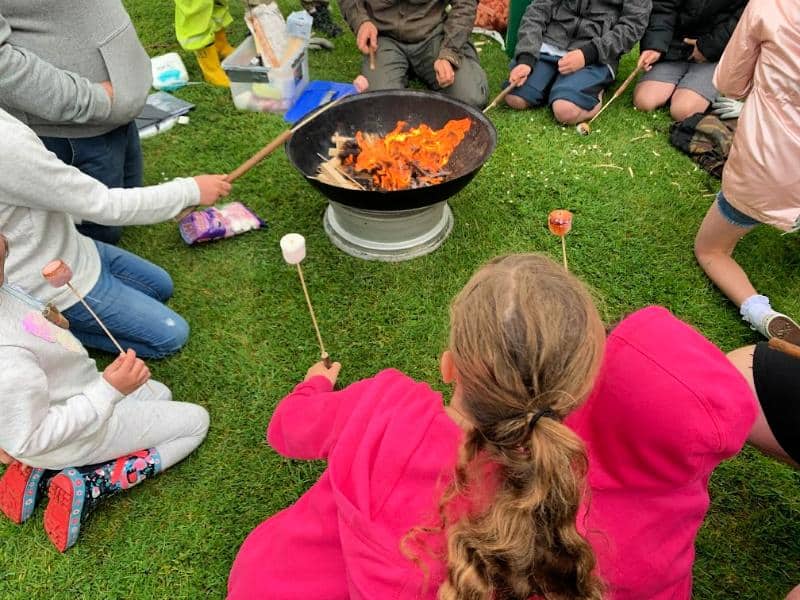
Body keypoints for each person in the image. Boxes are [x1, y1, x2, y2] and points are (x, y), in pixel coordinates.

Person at [228, 254, 755, 599]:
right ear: (584, 389)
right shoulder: (596, 502)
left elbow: (288, 430)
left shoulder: (385, 411)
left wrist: (313, 386)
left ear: (449, 367)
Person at [0, 232, 210, 552]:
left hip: (71, 394)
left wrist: (55, 322)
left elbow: (26, 323)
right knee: (195, 422)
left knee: (160, 393)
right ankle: (95, 481)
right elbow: (31, 436)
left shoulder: (3, 289)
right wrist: (108, 390)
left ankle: (40, 468)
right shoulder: (7, 360)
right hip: (75, 431)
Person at [0, 107, 231, 359]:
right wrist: (190, 191)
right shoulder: (7, 150)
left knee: (160, 286)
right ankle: (49, 326)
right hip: (46, 285)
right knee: (171, 335)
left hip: (73, 248)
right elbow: (101, 204)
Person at [0, 2, 153, 244]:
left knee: (126, 208)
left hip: (115, 113)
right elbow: (3, 66)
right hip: (71, 128)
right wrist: (91, 100)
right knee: (97, 235)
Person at [693, 0, 800, 344]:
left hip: (770, 168)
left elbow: (730, 81)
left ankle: (759, 312)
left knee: (711, 250)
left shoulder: (771, 5)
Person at [505, 0, 651, 124]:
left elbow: (633, 26)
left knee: (565, 111)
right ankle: (557, 85)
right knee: (514, 98)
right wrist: (526, 57)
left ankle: (589, 92)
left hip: (596, 54)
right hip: (550, 43)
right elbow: (537, 9)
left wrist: (588, 54)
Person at [339, 0, 488, 108]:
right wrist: (361, 21)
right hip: (383, 36)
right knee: (380, 103)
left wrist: (449, 52)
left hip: (432, 35)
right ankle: (397, 67)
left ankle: (429, 64)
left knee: (470, 97)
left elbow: (465, 4)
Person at [632, 0, 748, 121]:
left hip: (718, 52)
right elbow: (663, 7)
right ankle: (677, 85)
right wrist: (655, 45)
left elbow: (743, 20)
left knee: (683, 111)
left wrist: (708, 47)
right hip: (676, 46)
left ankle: (699, 88)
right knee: (644, 101)